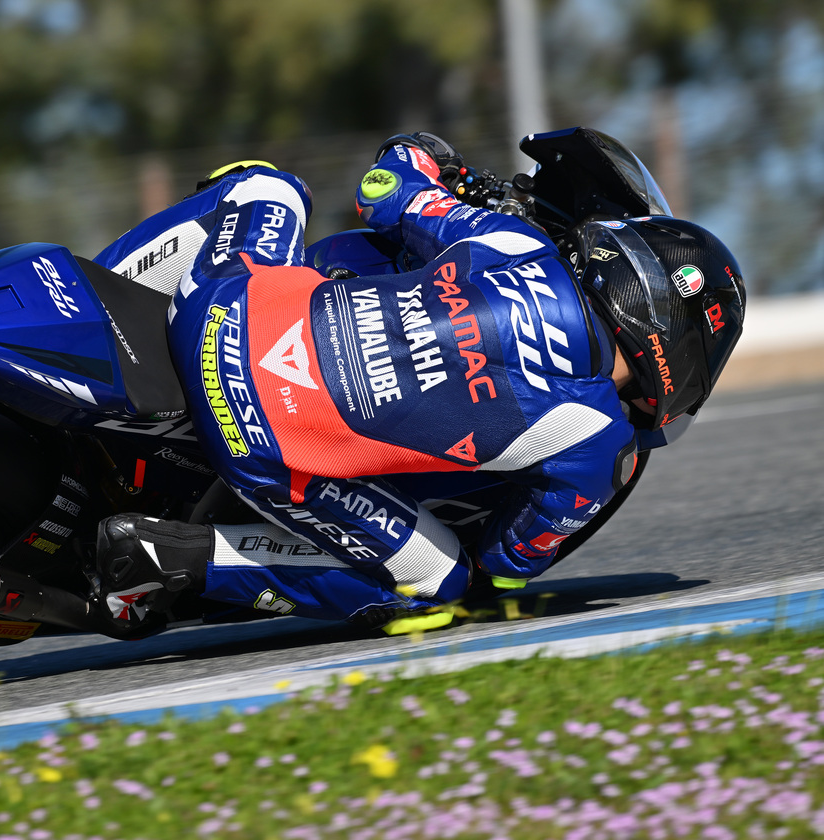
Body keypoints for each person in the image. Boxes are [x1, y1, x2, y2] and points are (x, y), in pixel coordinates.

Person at [89, 132, 746, 635]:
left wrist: (427, 157)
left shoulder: (516, 244)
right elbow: (507, 563)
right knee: (441, 584)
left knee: (267, 187)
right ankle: (177, 558)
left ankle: (92, 304)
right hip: (260, 442)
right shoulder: (597, 442)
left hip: (220, 309)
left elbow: (383, 189)